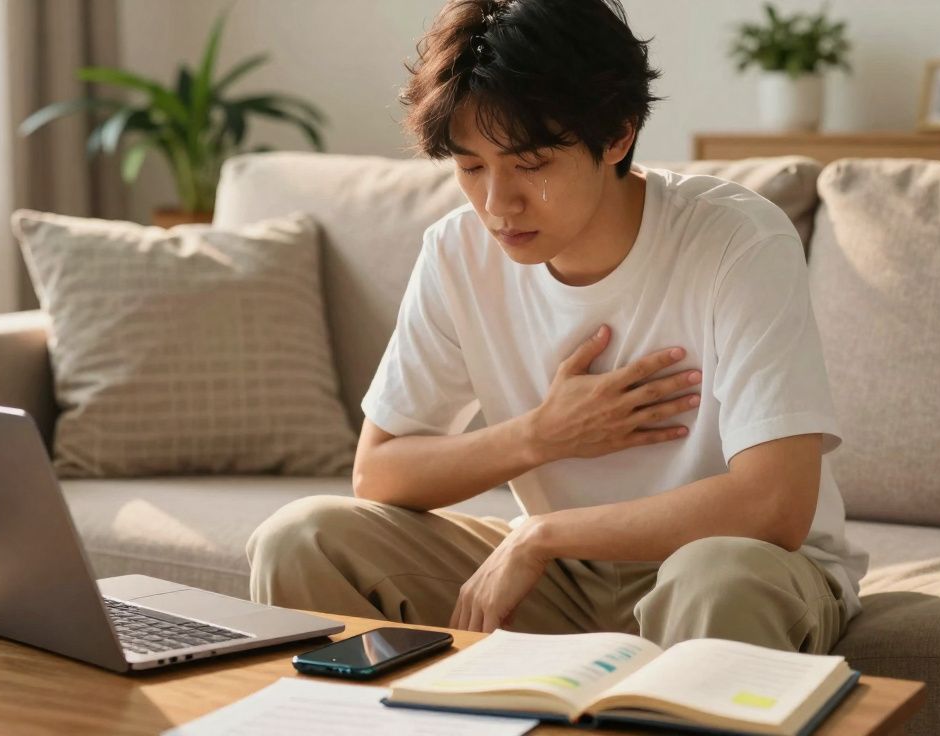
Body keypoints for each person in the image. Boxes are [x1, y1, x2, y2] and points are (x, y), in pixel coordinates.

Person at [246, 0, 868, 654]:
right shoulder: (458, 252)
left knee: (712, 578)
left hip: (738, 567)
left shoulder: (737, 240)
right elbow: (379, 473)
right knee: (301, 539)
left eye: (531, 164)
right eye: (471, 167)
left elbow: (776, 505)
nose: (497, 203)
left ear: (618, 135)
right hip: (562, 581)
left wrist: (544, 534)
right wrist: (542, 434)